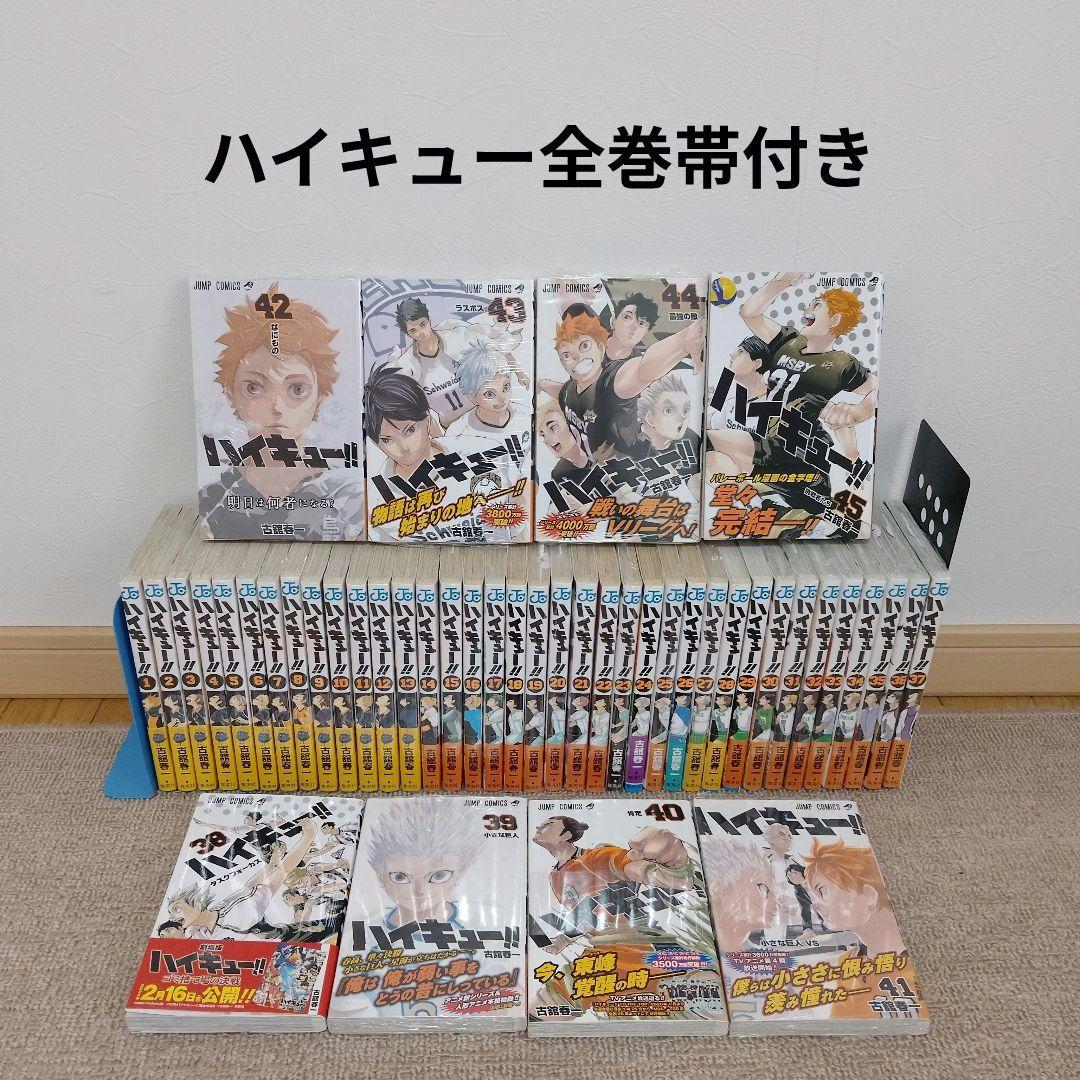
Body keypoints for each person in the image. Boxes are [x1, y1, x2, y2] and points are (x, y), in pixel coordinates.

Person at [198, 284, 364, 539]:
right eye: (254, 387)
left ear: (320, 396)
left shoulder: (348, 500)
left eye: (297, 389)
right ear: (230, 393)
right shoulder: (212, 501)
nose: (276, 407)